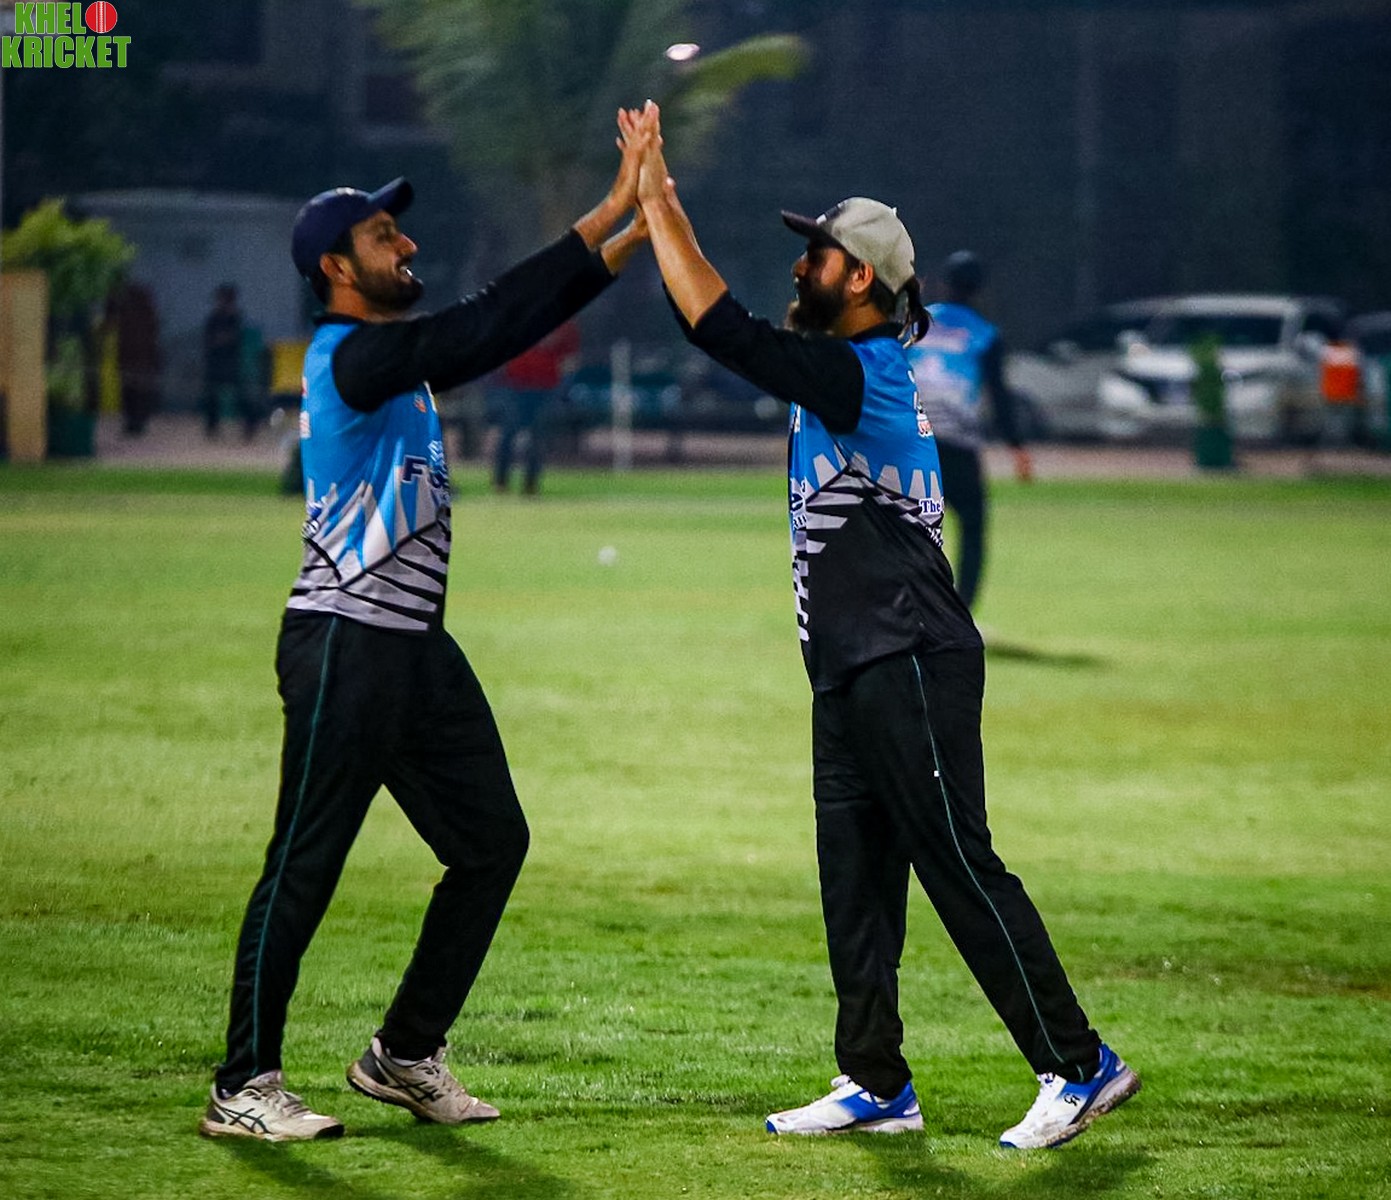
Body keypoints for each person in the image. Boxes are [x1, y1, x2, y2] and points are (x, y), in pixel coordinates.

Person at [631, 102, 1139, 1150]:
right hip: (850, 662)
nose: (800, 266)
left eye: (815, 255)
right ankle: (874, 1081)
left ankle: (1078, 1062)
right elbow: (720, 326)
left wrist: (658, 201)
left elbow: (719, 328)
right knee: (855, 882)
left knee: (956, 862)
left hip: (909, 653)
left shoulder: (855, 372)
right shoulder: (839, 368)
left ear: (858, 277)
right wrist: (659, 209)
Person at [199, 113, 652, 1142]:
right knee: (304, 864)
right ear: (335, 267)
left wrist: (637, 232)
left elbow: (506, 324)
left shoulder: (390, 356)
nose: (405, 244)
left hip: (410, 649)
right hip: (344, 641)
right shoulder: (351, 356)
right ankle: (242, 1086)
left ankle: (402, 1054)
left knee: (491, 844)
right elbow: (487, 325)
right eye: (381, 237)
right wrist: (609, 214)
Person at [905, 251, 1032, 611]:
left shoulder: (918, 324)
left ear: (944, 282)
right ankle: (961, 611)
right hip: (959, 445)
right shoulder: (985, 334)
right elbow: (999, 396)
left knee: (913, 529)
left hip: (914, 444)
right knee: (973, 529)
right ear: (980, 289)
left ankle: (910, 605)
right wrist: (1017, 447)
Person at [493, 318, 580, 494]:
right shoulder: (520, 316)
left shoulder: (563, 323)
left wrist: (563, 385)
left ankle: (530, 483)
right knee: (509, 432)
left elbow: (570, 357)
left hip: (545, 386)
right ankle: (501, 481)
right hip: (515, 384)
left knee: (537, 436)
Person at [202, 283, 251, 439]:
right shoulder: (214, 318)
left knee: (239, 395)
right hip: (215, 362)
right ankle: (212, 427)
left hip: (230, 363)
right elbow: (209, 339)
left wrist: (224, 339)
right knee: (212, 396)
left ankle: (249, 424)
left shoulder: (235, 318)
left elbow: (235, 337)